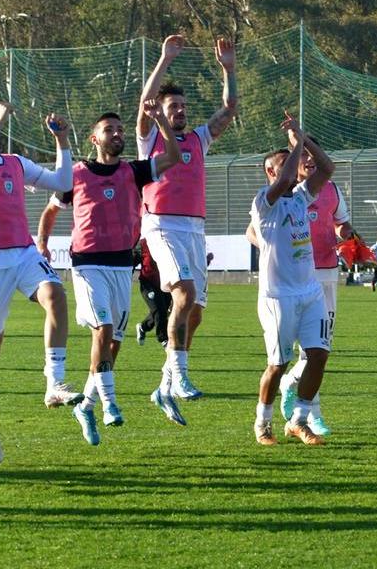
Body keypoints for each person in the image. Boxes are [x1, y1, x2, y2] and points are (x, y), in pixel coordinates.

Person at [37, 104, 180, 443]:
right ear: (94, 138)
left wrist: (160, 122)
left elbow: (173, 156)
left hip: (121, 266)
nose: (117, 134)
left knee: (112, 343)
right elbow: (50, 211)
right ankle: (109, 403)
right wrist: (42, 243)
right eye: (109, 130)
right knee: (102, 330)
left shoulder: (134, 171)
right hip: (88, 265)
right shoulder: (75, 174)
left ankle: (85, 405)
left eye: (120, 129)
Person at [137, 34, 237, 415]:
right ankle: (179, 373)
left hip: (194, 228)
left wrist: (228, 68)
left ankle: (165, 383)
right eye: (173, 106)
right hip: (161, 224)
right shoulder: (149, 141)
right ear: (160, 111)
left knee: (195, 310)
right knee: (183, 294)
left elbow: (228, 109)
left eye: (182, 106)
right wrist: (164, 59)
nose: (179, 110)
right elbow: (144, 104)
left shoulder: (197, 139)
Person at [0, 101, 78, 463]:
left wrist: (63, 141)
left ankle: (54, 383)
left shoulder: (14, 163)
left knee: (55, 293)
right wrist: (1, 122)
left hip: (23, 253)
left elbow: (63, 183)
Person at [247, 114, 335, 446]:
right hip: (278, 297)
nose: (296, 164)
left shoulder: (300, 197)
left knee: (319, 355)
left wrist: (303, 139)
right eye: (284, 163)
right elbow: (286, 178)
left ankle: (298, 421)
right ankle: (263, 423)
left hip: (310, 292)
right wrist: (296, 146)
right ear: (270, 172)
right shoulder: (263, 203)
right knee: (278, 364)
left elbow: (327, 169)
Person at [275, 139, 353, 437]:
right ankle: (311, 415)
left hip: (327, 274)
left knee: (321, 348)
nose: (308, 159)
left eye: (312, 154)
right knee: (309, 349)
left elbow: (341, 225)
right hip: (295, 280)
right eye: (302, 154)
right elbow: (253, 231)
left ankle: (289, 383)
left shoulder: (331, 189)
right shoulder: (286, 193)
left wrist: (348, 237)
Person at [136, 238, 171, 345]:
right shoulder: (143, 243)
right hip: (148, 283)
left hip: (165, 282)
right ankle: (164, 339)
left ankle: (142, 327)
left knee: (163, 311)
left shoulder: (168, 241)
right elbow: (133, 258)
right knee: (159, 311)